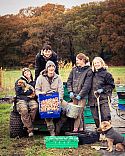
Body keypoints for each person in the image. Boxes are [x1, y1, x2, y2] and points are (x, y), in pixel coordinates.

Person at [35, 61, 67, 136]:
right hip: (45, 99)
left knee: (67, 108)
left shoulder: (58, 77)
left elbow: (61, 90)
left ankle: (59, 125)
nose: (51, 68)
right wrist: (41, 93)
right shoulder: (40, 78)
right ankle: (52, 131)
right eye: (49, 67)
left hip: (56, 98)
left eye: (53, 67)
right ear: (47, 68)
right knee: (47, 112)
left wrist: (59, 99)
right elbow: (37, 90)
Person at [67, 53, 93, 132]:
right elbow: (69, 81)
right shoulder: (74, 69)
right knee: (77, 112)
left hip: (83, 96)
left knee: (78, 112)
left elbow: (87, 86)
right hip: (74, 95)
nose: (76, 61)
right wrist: (70, 91)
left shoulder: (89, 71)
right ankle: (81, 128)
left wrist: (80, 95)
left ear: (82, 60)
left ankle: (75, 129)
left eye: (77, 60)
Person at [88, 57, 115, 128]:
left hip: (103, 99)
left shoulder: (107, 74)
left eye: (98, 62)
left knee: (105, 117)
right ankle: (100, 133)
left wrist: (102, 89)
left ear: (102, 63)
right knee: (96, 118)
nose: (96, 64)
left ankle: (108, 133)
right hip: (92, 100)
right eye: (95, 63)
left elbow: (111, 85)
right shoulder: (91, 74)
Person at [15, 68, 38, 137]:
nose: (27, 74)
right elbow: (18, 91)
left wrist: (28, 92)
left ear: (30, 73)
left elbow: (34, 91)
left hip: (31, 99)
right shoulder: (20, 81)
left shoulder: (33, 82)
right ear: (23, 74)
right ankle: (30, 130)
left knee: (35, 107)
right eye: (25, 73)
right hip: (21, 99)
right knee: (24, 110)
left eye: (28, 72)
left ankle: (26, 125)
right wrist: (28, 92)